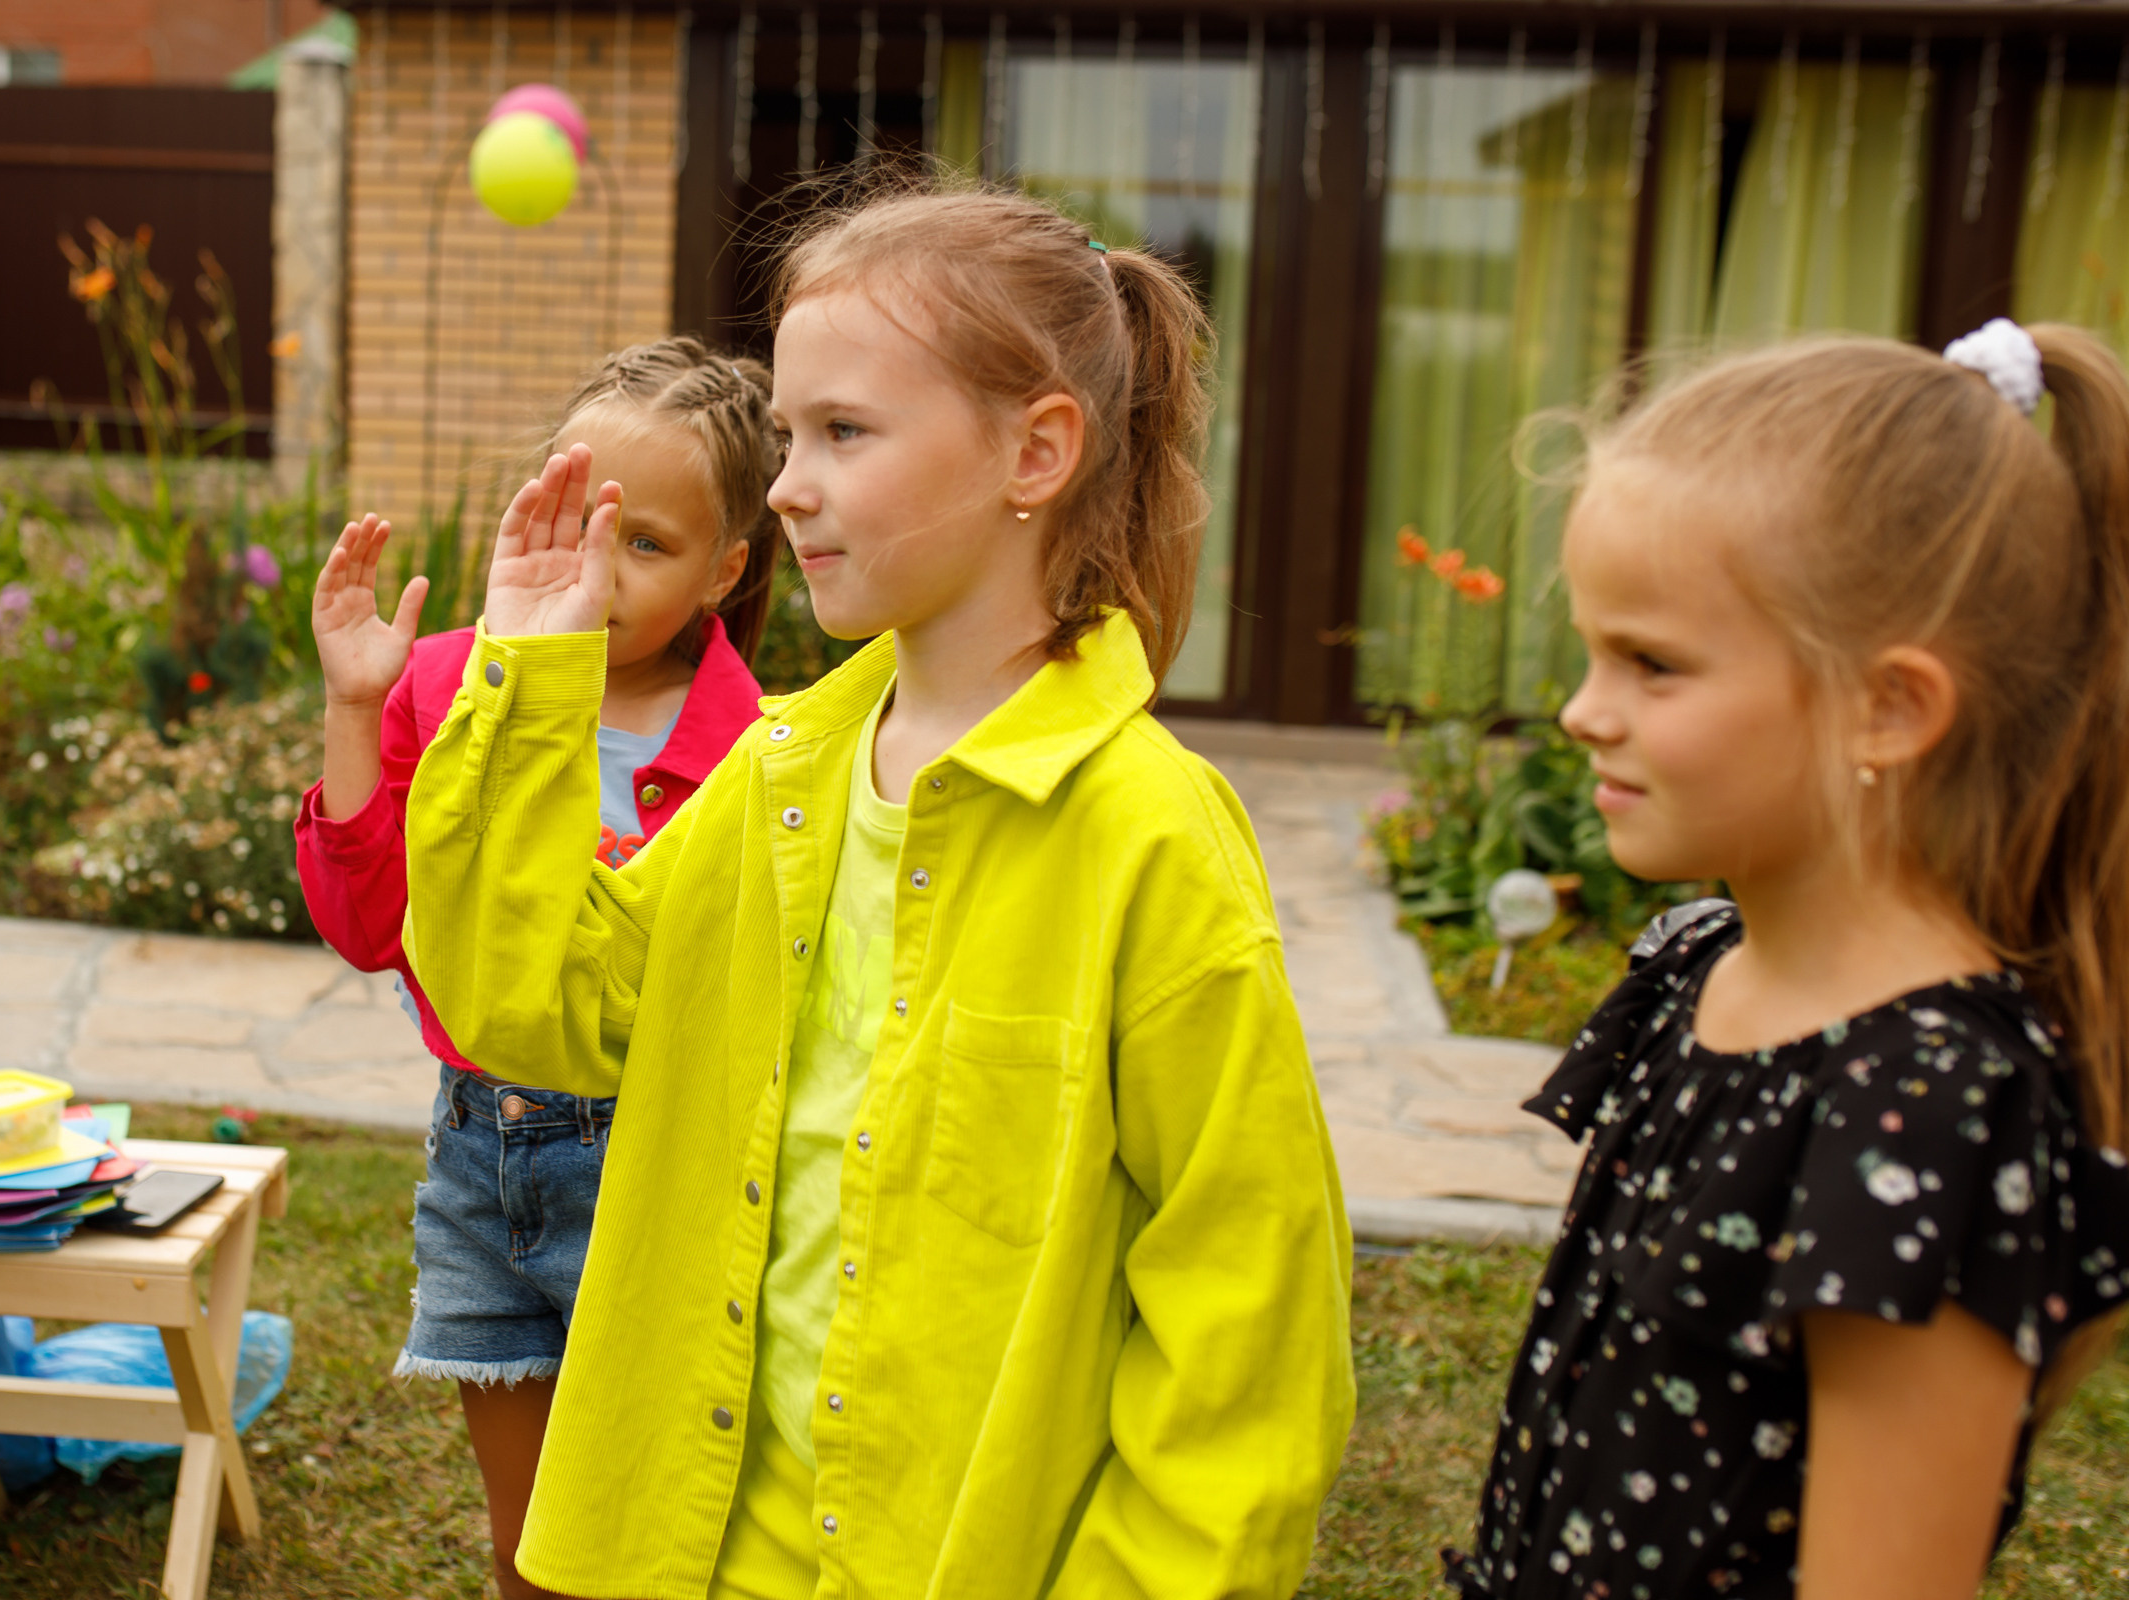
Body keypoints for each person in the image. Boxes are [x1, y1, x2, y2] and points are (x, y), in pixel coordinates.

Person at [400, 183, 1354, 1599]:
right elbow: (532, 1006)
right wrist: (538, 679)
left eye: (843, 433)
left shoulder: (1152, 839)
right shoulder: (779, 775)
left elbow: (1249, 1324)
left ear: (1037, 451)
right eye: (789, 435)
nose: (786, 485)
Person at [1446, 319, 2129, 1600]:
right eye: (1592, 651)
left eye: (1652, 663)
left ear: (1889, 706)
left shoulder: (1930, 1101)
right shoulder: (1698, 973)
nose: (1585, 710)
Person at [297, 337, 782, 1600]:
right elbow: (367, 926)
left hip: (660, 1166)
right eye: (579, 524)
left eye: (649, 545)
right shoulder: (452, 683)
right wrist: (359, 706)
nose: (599, 576)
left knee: (671, 1533)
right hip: (482, 1155)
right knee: (531, 1550)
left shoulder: (763, 751)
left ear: (729, 568)